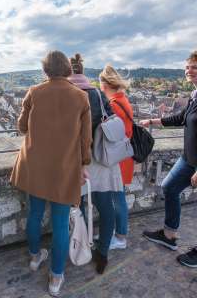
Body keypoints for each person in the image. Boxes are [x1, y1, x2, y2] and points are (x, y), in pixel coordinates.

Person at [10, 51, 92, 297]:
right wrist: (84, 164)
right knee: (60, 224)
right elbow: (85, 140)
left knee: (34, 215)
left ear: (45, 70)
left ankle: (35, 258)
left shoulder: (34, 92)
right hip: (65, 168)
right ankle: (56, 277)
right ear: (67, 68)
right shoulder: (81, 97)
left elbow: (22, 127)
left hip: (35, 165)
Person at [68, 54, 123, 274]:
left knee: (77, 208)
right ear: (82, 71)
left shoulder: (68, 94)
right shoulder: (98, 94)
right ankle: (103, 253)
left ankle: (81, 246)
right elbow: (110, 120)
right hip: (101, 157)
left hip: (77, 160)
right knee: (106, 207)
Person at [141, 50, 197, 268]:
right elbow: (181, 118)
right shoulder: (194, 95)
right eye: (187, 67)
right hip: (188, 158)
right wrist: (153, 122)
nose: (189, 71)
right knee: (169, 187)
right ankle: (169, 235)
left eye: (194, 67)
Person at [99, 65, 134, 250]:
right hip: (124, 157)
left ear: (105, 85)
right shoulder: (122, 99)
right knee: (118, 199)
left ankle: (120, 237)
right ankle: (116, 233)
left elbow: (108, 134)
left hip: (117, 160)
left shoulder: (113, 104)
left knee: (118, 200)